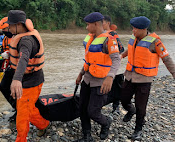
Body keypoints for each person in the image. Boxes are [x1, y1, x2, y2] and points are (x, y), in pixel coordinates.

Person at [120, 16, 175, 141]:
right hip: (129, 76)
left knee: (141, 106)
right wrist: (122, 55)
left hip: (144, 79)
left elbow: (166, 58)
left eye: (135, 28)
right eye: (133, 28)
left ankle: (138, 130)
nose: (133, 30)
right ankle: (130, 110)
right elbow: (131, 50)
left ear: (144, 29)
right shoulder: (134, 38)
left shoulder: (155, 42)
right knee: (124, 99)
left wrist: (173, 73)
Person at [75, 12, 121, 141]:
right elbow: (88, 61)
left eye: (88, 25)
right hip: (87, 80)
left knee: (93, 112)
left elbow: (117, 60)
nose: (86, 27)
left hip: (101, 82)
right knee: (82, 109)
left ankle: (106, 122)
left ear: (96, 24)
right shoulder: (91, 39)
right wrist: (80, 74)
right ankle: (87, 136)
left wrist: (110, 77)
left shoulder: (109, 40)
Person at [5, 10, 50, 142]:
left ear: (19, 24)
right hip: (27, 79)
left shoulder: (27, 40)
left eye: (11, 25)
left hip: (31, 82)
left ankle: (21, 139)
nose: (9, 28)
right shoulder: (21, 34)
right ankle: (44, 124)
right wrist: (9, 55)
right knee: (27, 109)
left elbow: (24, 59)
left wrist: (16, 79)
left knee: (22, 116)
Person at [103, 15, 124, 113]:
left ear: (107, 23)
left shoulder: (112, 34)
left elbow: (121, 48)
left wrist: (112, 53)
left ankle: (116, 106)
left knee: (114, 85)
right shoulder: (99, 35)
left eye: (102, 22)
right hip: (102, 66)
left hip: (112, 65)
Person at [0, 17, 17, 121]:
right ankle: (16, 107)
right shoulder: (5, 38)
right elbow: (2, 49)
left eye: (5, 30)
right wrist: (3, 54)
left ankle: (19, 110)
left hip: (17, 68)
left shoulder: (19, 37)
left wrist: (9, 54)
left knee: (15, 90)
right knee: (3, 87)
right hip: (9, 66)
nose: (4, 32)